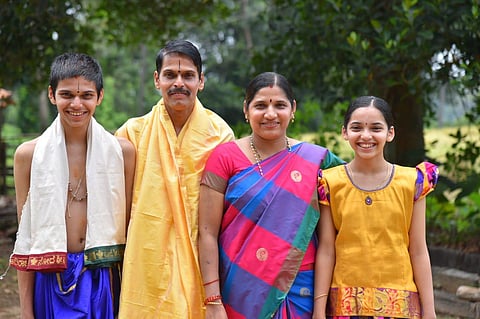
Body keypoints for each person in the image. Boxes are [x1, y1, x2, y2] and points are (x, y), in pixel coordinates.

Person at [198, 71, 344, 319]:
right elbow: (206, 233)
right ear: (246, 109)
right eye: (260, 106)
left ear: (293, 109)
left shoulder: (317, 160)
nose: (270, 114)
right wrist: (212, 300)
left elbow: (357, 195)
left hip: (302, 290)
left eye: (279, 105)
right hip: (241, 290)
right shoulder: (224, 158)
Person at [9, 52, 136, 318]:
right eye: (67, 94)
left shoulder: (122, 153)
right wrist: (25, 311)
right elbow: (27, 240)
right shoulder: (28, 156)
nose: (76, 104)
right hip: (50, 279)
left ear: (100, 96)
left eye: (86, 95)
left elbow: (129, 233)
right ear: (52, 95)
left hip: (102, 277)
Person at [115, 39, 234, 318]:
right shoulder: (132, 133)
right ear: (157, 79)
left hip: (200, 256)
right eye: (170, 75)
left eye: (188, 75)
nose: (178, 83)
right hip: (146, 256)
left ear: (201, 81)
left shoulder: (220, 136)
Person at [314, 96, 438, 319]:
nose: (366, 136)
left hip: (400, 307)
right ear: (345, 132)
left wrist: (429, 312)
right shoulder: (330, 183)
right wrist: (319, 311)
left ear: (390, 133)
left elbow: (418, 250)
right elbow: (326, 249)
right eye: (357, 128)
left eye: (376, 128)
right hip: (344, 305)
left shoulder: (412, 182)